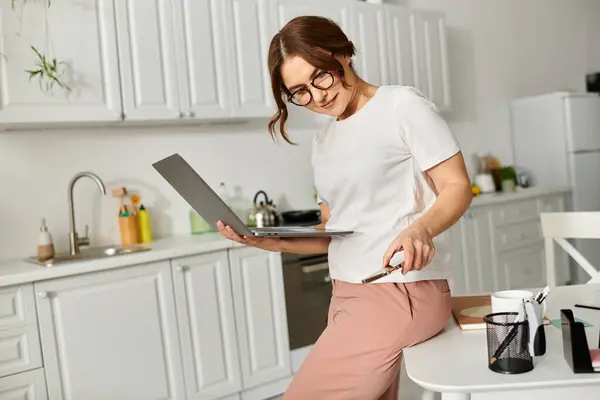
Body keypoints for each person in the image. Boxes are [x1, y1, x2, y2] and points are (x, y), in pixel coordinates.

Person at [217, 15, 472, 400]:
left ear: (343, 54)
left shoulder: (401, 105)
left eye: (320, 76)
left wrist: (421, 228)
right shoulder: (324, 143)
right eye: (299, 91)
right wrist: (272, 243)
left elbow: (456, 187)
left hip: (397, 291)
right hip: (347, 294)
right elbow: (335, 234)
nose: (316, 97)